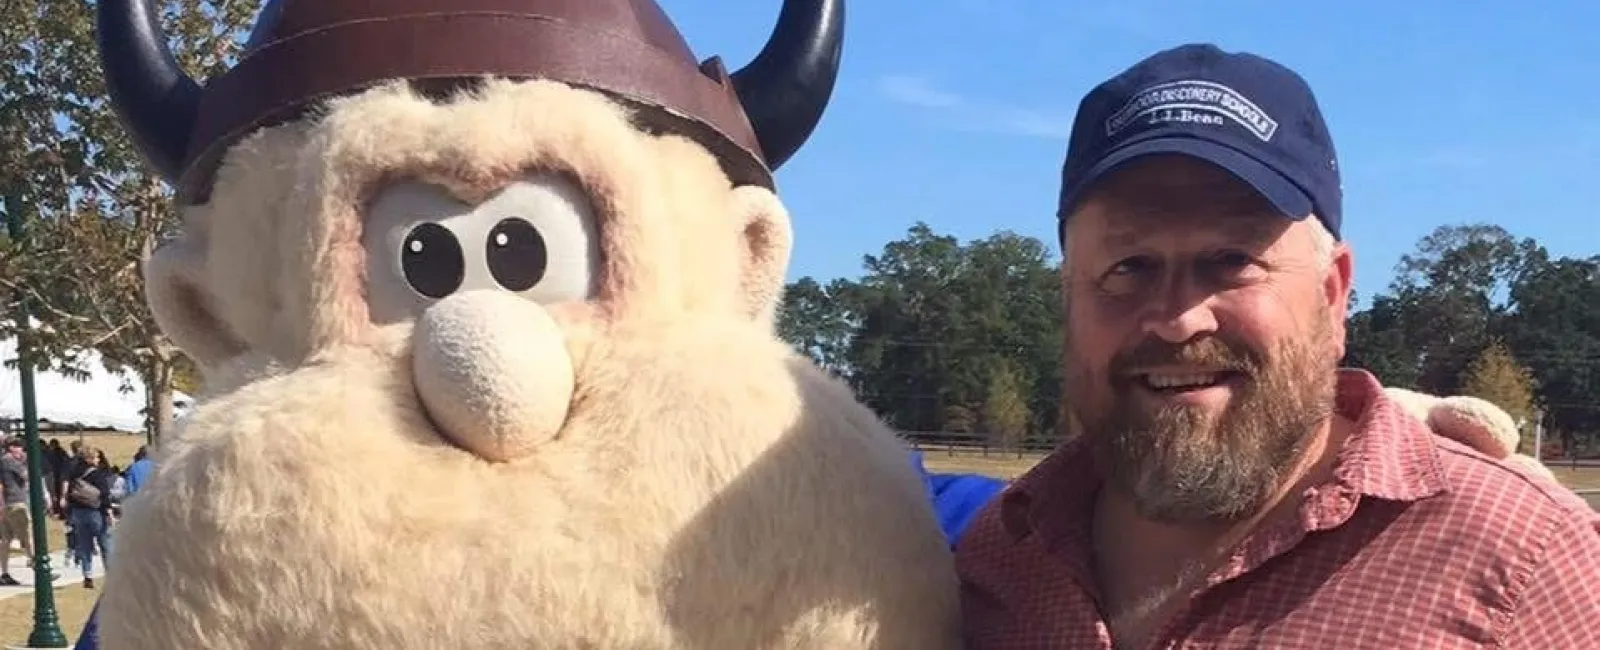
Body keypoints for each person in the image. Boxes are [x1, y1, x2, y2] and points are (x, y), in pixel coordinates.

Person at [955, 43, 1600, 649]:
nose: (1179, 319)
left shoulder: (1525, 564)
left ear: (1332, 292)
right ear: (1069, 296)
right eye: (1128, 266)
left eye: (1232, 260)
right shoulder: (989, 565)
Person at [58, 444, 115, 589]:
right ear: (89, 459)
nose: (98, 460)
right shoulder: (97, 474)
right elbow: (104, 494)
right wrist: (109, 512)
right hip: (95, 512)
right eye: (96, 457)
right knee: (105, 544)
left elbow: (69, 491)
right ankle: (111, 575)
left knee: (85, 546)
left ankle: (87, 575)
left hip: (78, 513)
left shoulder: (74, 472)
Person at [0, 437, 33, 585]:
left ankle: (5, 573)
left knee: (6, 540)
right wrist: (24, 461)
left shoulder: (3, 460)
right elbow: (27, 476)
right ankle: (38, 566)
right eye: (18, 447)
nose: (21, 450)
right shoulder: (9, 461)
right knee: (26, 537)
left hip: (6, 504)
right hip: (16, 503)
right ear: (11, 447)